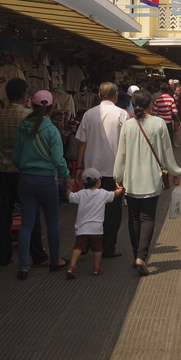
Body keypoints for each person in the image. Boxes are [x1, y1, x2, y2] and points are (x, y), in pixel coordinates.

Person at [114, 89, 181, 274]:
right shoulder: (159, 123)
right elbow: (168, 152)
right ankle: (141, 257)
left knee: (134, 218)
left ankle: (137, 255)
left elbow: (121, 154)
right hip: (151, 180)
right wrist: (176, 172)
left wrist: (117, 177)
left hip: (132, 180)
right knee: (148, 217)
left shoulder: (128, 125)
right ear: (150, 104)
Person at [12, 90, 69, 279]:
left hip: (26, 180)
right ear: (51, 108)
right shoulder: (52, 130)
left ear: (33, 105)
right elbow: (58, 160)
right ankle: (55, 261)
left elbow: (16, 158)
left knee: (27, 224)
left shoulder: (22, 127)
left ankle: (24, 266)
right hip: (46, 181)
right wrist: (66, 176)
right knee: (52, 222)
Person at [0, 78, 48, 268]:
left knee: (5, 214)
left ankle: (4, 254)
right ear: (24, 95)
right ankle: (38, 255)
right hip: (24, 171)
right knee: (30, 214)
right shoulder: (28, 115)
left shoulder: (1, 115)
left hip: (4, 169)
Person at [74, 82, 128, 260]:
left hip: (91, 170)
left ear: (98, 95)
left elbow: (82, 142)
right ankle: (108, 247)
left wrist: (79, 166)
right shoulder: (122, 114)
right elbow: (127, 142)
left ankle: (85, 243)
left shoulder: (89, 114)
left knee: (89, 208)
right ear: (115, 96)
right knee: (112, 211)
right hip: (114, 171)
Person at [65, 168, 123, 277]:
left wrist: (69, 187)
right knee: (97, 249)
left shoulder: (81, 194)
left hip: (82, 229)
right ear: (98, 182)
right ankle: (96, 268)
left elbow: (69, 197)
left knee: (78, 247)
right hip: (97, 229)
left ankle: (72, 266)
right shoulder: (103, 194)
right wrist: (119, 187)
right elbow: (115, 194)